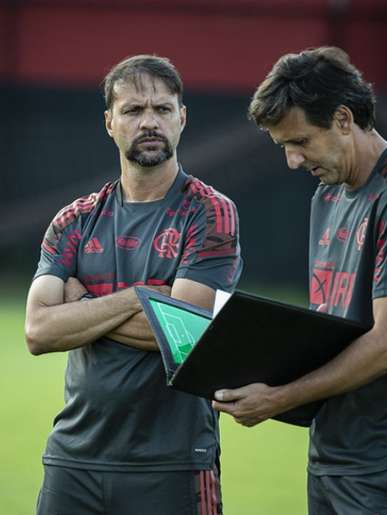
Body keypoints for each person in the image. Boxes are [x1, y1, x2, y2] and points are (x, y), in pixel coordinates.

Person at [212, 47, 387, 514]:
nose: (292, 160)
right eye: (284, 147)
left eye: (301, 141)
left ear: (344, 119)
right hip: (334, 452)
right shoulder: (327, 195)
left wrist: (280, 398)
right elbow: (333, 326)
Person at [24, 55, 242, 515]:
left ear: (182, 118)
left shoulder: (210, 213)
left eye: (162, 110)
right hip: (74, 460)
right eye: (133, 110)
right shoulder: (75, 219)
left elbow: (187, 336)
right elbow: (39, 331)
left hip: (174, 463)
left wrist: (82, 304)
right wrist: (142, 299)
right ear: (109, 123)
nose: (149, 122)